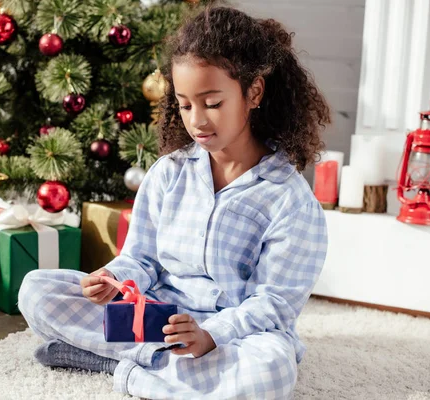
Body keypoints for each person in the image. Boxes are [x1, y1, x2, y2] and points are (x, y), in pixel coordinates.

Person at [18, 5, 330, 399]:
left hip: (233, 333)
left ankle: (122, 367)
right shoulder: (169, 173)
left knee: (269, 372)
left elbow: (273, 304)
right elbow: (142, 259)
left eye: (212, 103)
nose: (197, 120)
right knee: (36, 290)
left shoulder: (289, 198)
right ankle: (168, 368)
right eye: (185, 105)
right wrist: (115, 280)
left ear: (253, 93)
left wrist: (210, 336)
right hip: (156, 315)